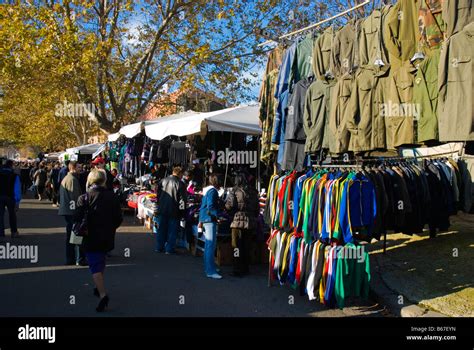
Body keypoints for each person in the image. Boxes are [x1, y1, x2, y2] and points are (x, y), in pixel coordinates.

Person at [75, 169, 122, 312]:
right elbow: (118, 219)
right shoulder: (112, 196)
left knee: (95, 266)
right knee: (100, 261)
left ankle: (103, 295)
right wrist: (110, 227)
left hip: (91, 236)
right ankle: (98, 286)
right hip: (107, 236)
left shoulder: (84, 198)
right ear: (104, 180)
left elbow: (77, 218)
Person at [225, 174, 259, 277]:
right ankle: (245, 268)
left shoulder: (234, 190)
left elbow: (230, 206)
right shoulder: (253, 191)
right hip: (250, 221)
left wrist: (227, 210)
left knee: (236, 247)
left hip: (237, 221)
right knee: (246, 246)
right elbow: (256, 208)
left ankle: (237, 269)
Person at [154, 166, 187, 254]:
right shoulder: (180, 183)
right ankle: (169, 249)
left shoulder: (163, 181)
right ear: (179, 173)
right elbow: (182, 200)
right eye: (182, 174)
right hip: (174, 210)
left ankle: (159, 247)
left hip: (162, 209)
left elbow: (158, 195)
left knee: (161, 229)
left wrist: (159, 206)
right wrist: (183, 212)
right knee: (172, 231)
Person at [58, 161, 84, 265]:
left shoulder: (68, 178)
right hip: (71, 212)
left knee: (71, 235)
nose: (81, 169)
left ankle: (72, 258)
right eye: (79, 167)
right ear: (73, 168)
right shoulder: (72, 180)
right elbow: (74, 198)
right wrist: (78, 211)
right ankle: (77, 259)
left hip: (67, 211)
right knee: (75, 235)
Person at [199, 174, 222, 279]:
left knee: (209, 245)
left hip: (206, 218)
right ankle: (210, 271)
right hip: (209, 219)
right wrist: (217, 216)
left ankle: (210, 267)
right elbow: (211, 206)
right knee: (210, 245)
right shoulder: (213, 191)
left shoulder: (208, 190)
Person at [0, 160, 21, 238]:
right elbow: (17, 189)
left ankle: (1, 234)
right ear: (11, 166)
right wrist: (17, 201)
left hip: (0, 196)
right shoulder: (15, 175)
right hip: (10, 197)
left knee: (0, 216)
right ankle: (14, 232)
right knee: (12, 214)